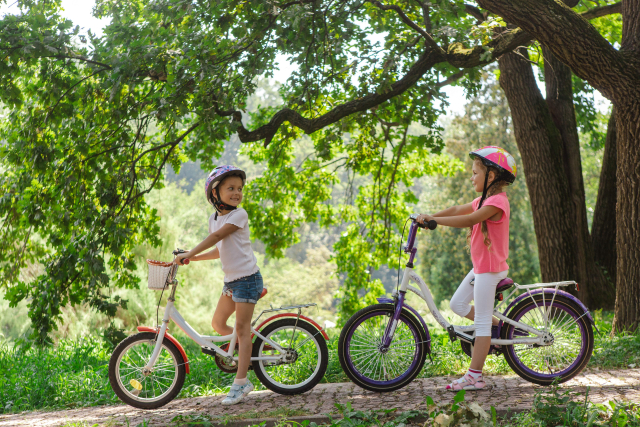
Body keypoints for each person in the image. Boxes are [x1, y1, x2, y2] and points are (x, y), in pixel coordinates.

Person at [417, 146, 517, 391]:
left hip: (490, 270)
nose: (471, 177)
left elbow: (470, 220)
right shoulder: (483, 199)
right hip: (482, 268)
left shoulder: (497, 202)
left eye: (475, 173)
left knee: (481, 322)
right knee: (457, 305)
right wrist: (429, 216)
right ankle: (500, 327)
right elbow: (455, 211)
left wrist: (435, 222)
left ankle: (475, 376)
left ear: (490, 176)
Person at [174, 165, 262, 405]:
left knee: (242, 331)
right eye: (230, 188)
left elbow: (216, 238)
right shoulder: (215, 218)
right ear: (215, 193)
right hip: (232, 281)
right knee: (218, 323)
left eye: (240, 189)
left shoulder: (238, 215)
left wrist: (190, 251)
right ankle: (251, 348)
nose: (237, 193)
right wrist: (192, 257)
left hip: (247, 279)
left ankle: (241, 382)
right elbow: (218, 250)